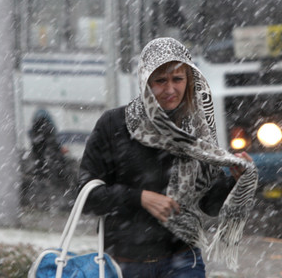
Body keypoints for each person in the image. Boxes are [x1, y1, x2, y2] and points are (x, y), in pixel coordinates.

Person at [77, 37, 258, 277]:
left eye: (178, 79)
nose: (170, 89)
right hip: (127, 264)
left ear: (190, 80)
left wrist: (235, 181)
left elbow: (209, 204)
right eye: (160, 80)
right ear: (145, 81)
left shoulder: (196, 130)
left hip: (183, 260)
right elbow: (85, 195)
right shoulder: (114, 125)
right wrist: (139, 198)